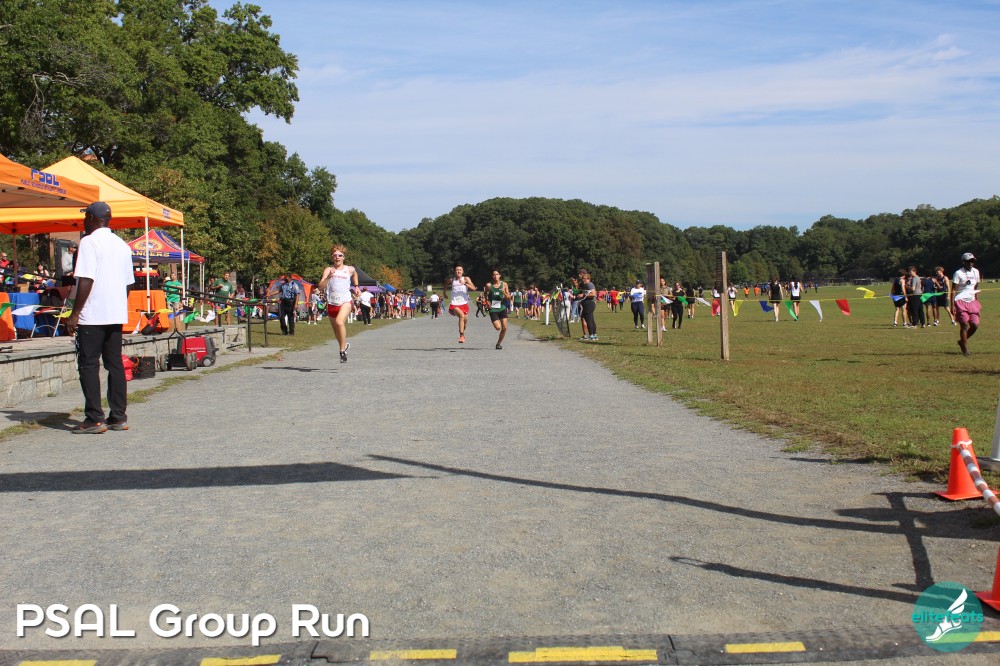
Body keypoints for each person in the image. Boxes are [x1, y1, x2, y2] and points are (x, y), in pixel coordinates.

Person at [65, 202, 135, 434]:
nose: (83, 221)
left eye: (85, 217)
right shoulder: (122, 245)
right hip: (115, 314)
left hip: (93, 315)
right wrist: (117, 305)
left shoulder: (89, 242)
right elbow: (128, 283)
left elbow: (86, 279)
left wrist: (75, 313)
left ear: (91, 218)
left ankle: (94, 418)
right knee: (114, 364)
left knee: (88, 364)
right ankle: (118, 416)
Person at [319, 244, 359, 362]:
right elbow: (320, 287)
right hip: (332, 303)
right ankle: (344, 345)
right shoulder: (328, 270)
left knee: (339, 322)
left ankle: (342, 351)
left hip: (345, 301)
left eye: (340, 255)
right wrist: (328, 277)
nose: (337, 257)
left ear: (343, 257)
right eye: (335, 255)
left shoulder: (349, 269)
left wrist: (356, 286)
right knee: (337, 332)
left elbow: (355, 274)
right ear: (332, 257)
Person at [951, 252, 982, 357]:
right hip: (960, 301)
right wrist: (952, 305)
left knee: (975, 325)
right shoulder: (958, 273)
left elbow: (975, 288)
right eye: (969, 261)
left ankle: (961, 341)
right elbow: (953, 290)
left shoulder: (976, 272)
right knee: (964, 325)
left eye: (972, 261)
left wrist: (977, 302)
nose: (971, 263)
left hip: (972, 301)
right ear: (964, 262)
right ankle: (965, 348)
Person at [447, 264, 476, 344]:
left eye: (460, 270)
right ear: (454, 271)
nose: (458, 271)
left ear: (463, 271)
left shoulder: (466, 279)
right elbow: (446, 283)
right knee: (461, 316)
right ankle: (461, 335)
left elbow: (474, 288)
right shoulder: (452, 280)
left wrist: (465, 283)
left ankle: (462, 330)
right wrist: (444, 292)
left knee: (464, 321)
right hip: (454, 304)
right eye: (457, 270)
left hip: (464, 304)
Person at [485, 270, 511, 349]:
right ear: (492, 276)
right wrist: (486, 301)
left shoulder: (504, 284)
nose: (495, 276)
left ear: (500, 275)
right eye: (494, 274)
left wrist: (504, 293)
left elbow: (508, 297)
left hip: (502, 308)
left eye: (497, 274)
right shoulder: (489, 285)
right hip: (493, 309)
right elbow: (485, 293)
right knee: (498, 327)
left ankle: (498, 344)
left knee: (505, 327)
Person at [576, 267, 598, 341]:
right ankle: (594, 335)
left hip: (590, 303)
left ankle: (591, 335)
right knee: (591, 319)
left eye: (585, 279)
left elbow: (594, 294)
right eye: (583, 279)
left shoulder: (589, 285)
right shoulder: (586, 285)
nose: (583, 280)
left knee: (588, 319)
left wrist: (583, 295)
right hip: (587, 303)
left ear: (588, 279)